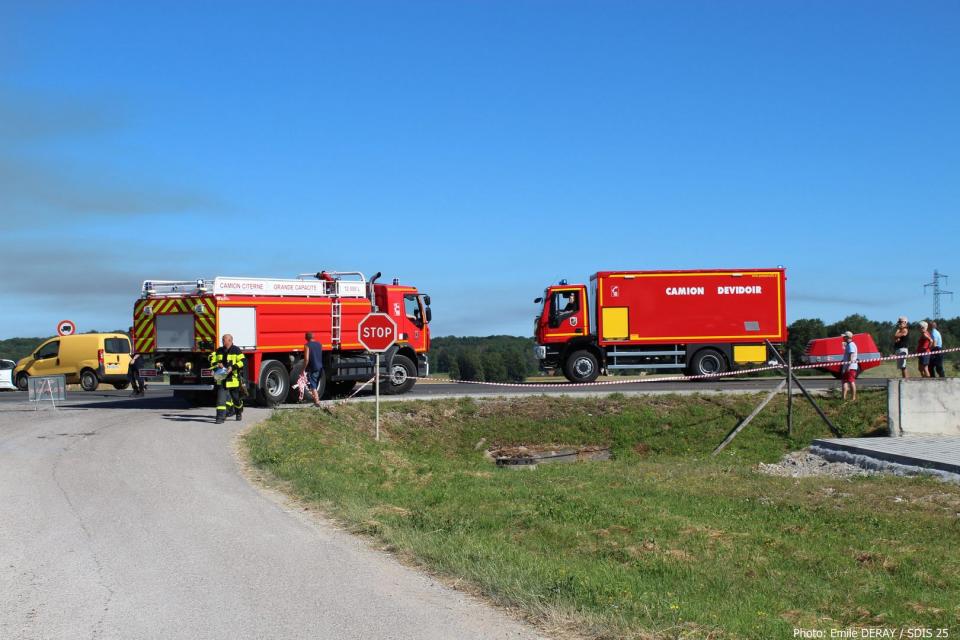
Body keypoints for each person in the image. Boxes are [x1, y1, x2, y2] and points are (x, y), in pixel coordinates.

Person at [209, 334, 245, 423]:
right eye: (222, 340)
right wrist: (217, 365)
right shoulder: (219, 350)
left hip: (233, 380)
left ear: (230, 340)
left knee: (236, 399)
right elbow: (211, 359)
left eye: (224, 340)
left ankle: (238, 412)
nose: (222, 342)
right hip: (221, 379)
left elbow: (243, 361)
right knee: (220, 400)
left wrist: (233, 367)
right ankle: (220, 418)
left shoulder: (236, 350)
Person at [303, 332, 323, 407]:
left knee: (313, 385)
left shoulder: (307, 345)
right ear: (313, 337)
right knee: (315, 384)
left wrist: (303, 368)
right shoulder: (319, 344)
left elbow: (306, 359)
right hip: (320, 367)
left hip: (313, 368)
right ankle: (316, 401)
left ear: (306, 338)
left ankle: (317, 401)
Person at [840, 331, 858, 401]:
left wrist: (848, 366)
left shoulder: (851, 345)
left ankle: (853, 398)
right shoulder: (849, 344)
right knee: (844, 381)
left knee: (851, 381)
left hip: (850, 367)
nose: (843, 338)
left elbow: (851, 355)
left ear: (847, 337)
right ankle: (843, 398)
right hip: (847, 366)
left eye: (844, 337)